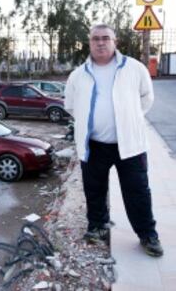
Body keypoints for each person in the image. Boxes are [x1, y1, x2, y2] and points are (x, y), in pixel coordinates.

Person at [64, 24, 163, 257]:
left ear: (115, 42)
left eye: (106, 38)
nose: (100, 43)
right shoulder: (78, 75)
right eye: (96, 39)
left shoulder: (134, 68)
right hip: (94, 145)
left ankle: (148, 235)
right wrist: (91, 122)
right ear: (89, 43)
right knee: (94, 190)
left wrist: (130, 119)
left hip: (130, 145)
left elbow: (146, 97)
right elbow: (70, 105)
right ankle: (97, 226)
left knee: (137, 191)